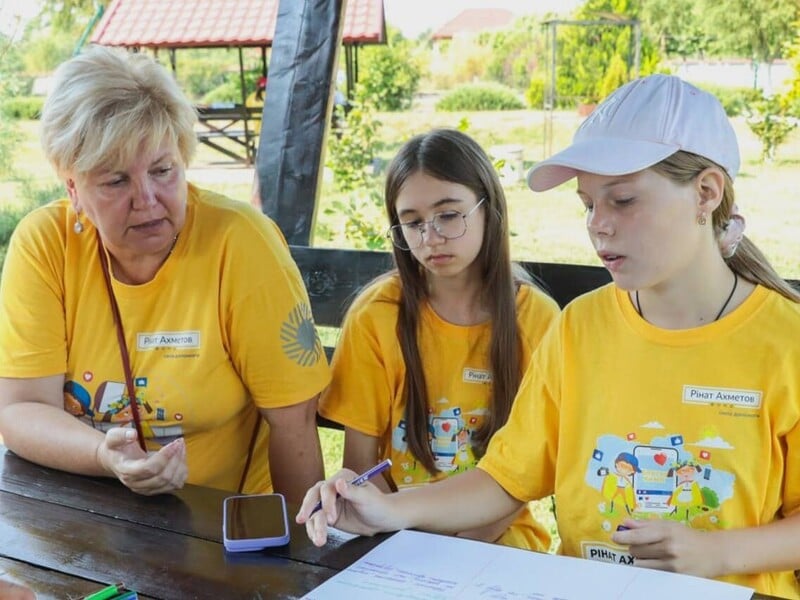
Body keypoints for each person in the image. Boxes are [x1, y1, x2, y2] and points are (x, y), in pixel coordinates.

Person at [297, 75, 800, 598]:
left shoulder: (786, 341)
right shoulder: (580, 325)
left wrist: (719, 553)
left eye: (622, 200)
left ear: (706, 192)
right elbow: (505, 479)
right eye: (587, 204)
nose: (597, 225)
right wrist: (387, 509)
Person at [0, 46, 330, 502]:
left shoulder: (241, 243)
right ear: (73, 188)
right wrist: (106, 455)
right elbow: (22, 409)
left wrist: (300, 561)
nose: (147, 199)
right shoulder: (45, 243)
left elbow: (293, 423)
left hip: (215, 529)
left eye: (162, 170)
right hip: (80, 519)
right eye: (116, 181)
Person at [318, 128, 559, 550]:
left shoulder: (536, 319)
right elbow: (360, 470)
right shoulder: (377, 316)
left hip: (501, 539)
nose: (430, 238)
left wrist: (460, 544)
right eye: (412, 223)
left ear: (489, 208)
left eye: (449, 215)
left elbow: (527, 476)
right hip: (394, 540)